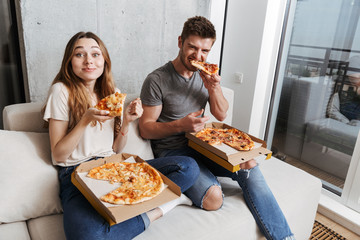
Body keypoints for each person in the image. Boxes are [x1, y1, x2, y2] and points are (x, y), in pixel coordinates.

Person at [139, 16, 295, 240]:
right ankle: (189, 189)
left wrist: (214, 87)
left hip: (205, 145)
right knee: (214, 199)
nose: (198, 56)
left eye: (205, 50)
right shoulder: (156, 79)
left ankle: (284, 237)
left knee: (249, 163)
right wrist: (181, 125)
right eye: (192, 47)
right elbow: (145, 129)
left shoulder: (205, 74)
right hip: (174, 153)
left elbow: (221, 113)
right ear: (180, 41)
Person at [42, 31, 200, 240]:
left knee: (188, 167)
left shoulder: (112, 92)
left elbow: (116, 149)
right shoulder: (61, 91)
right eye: (79, 54)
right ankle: (157, 211)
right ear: (69, 61)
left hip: (114, 167)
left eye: (95, 54)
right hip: (76, 174)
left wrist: (126, 121)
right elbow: (59, 156)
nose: (89, 60)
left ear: (104, 60)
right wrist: (85, 120)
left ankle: (136, 205)